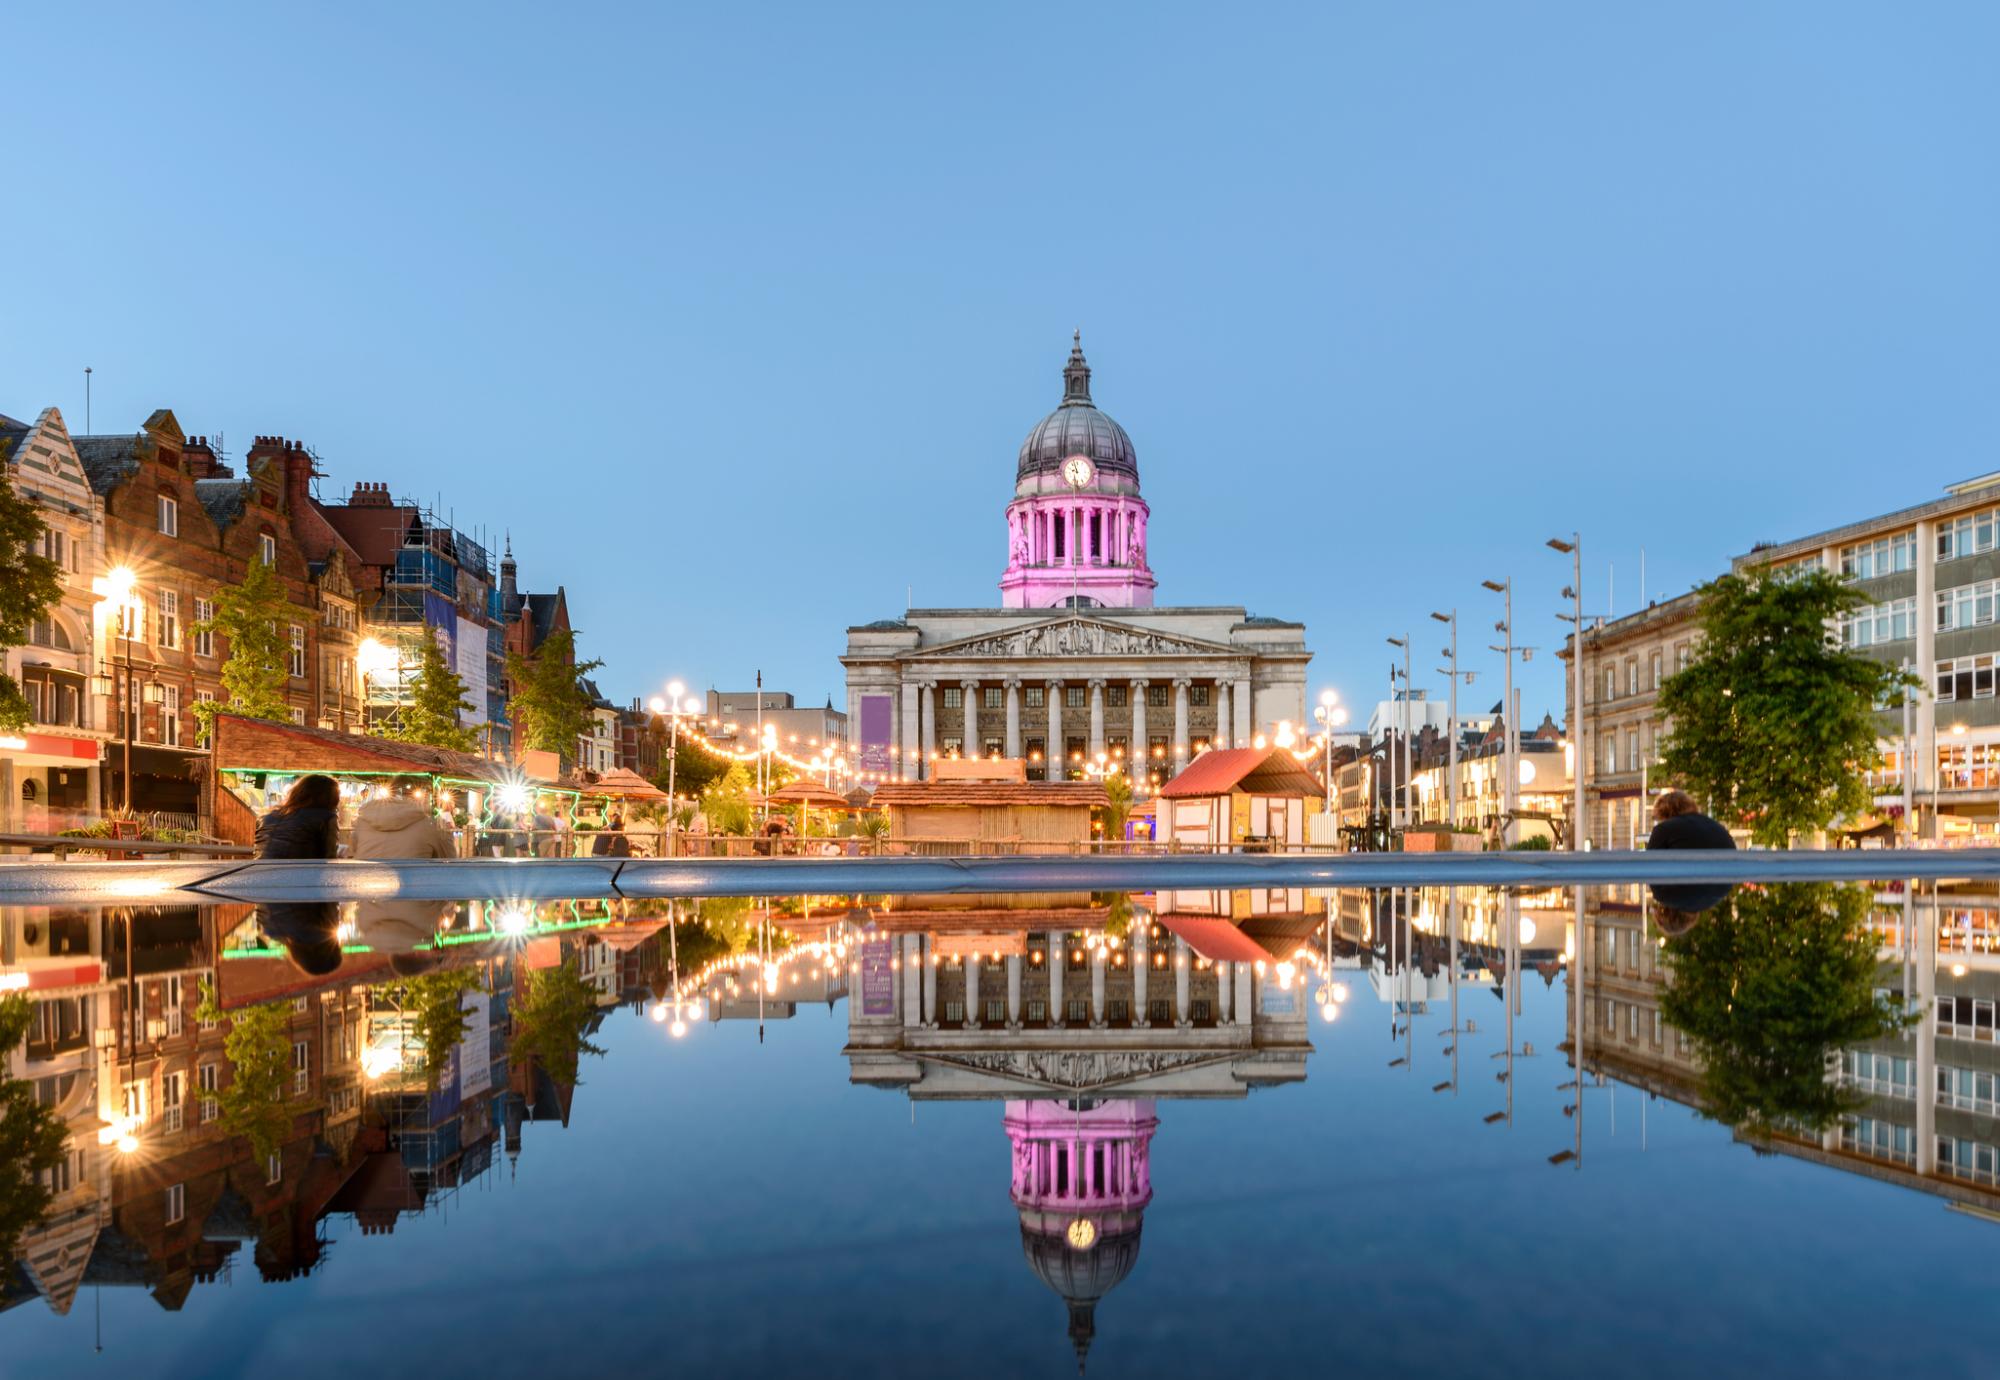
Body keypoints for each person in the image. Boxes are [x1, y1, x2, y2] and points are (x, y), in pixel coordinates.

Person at [1646, 789, 1734, 917]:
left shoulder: (1664, 829)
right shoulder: (1717, 826)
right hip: (1721, 886)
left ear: (1663, 812)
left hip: (1694, 890)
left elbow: (1648, 866)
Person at [353, 783, 457, 859]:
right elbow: (450, 863)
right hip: (415, 886)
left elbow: (353, 851)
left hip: (363, 883)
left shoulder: (363, 822)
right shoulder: (432, 827)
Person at [255, 774, 341, 859]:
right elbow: (330, 858)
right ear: (331, 798)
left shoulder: (267, 818)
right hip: (298, 871)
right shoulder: (327, 818)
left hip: (258, 871)